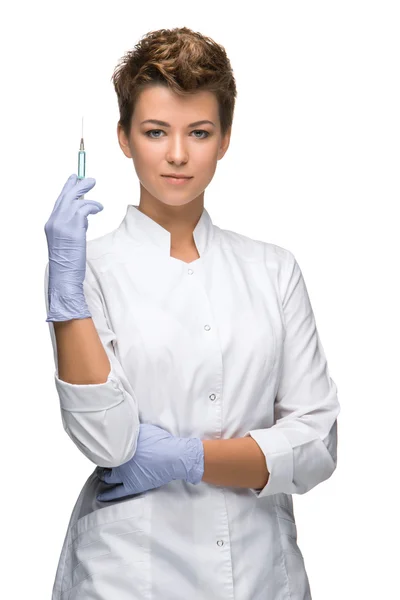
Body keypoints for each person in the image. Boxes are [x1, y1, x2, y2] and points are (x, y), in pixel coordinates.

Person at [44, 26, 340, 600]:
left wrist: (186, 458)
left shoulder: (273, 269)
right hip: (128, 575)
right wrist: (64, 291)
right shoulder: (88, 268)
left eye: (199, 132)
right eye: (156, 132)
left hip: (261, 576)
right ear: (125, 139)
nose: (177, 154)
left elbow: (317, 443)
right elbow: (107, 442)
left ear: (225, 138)